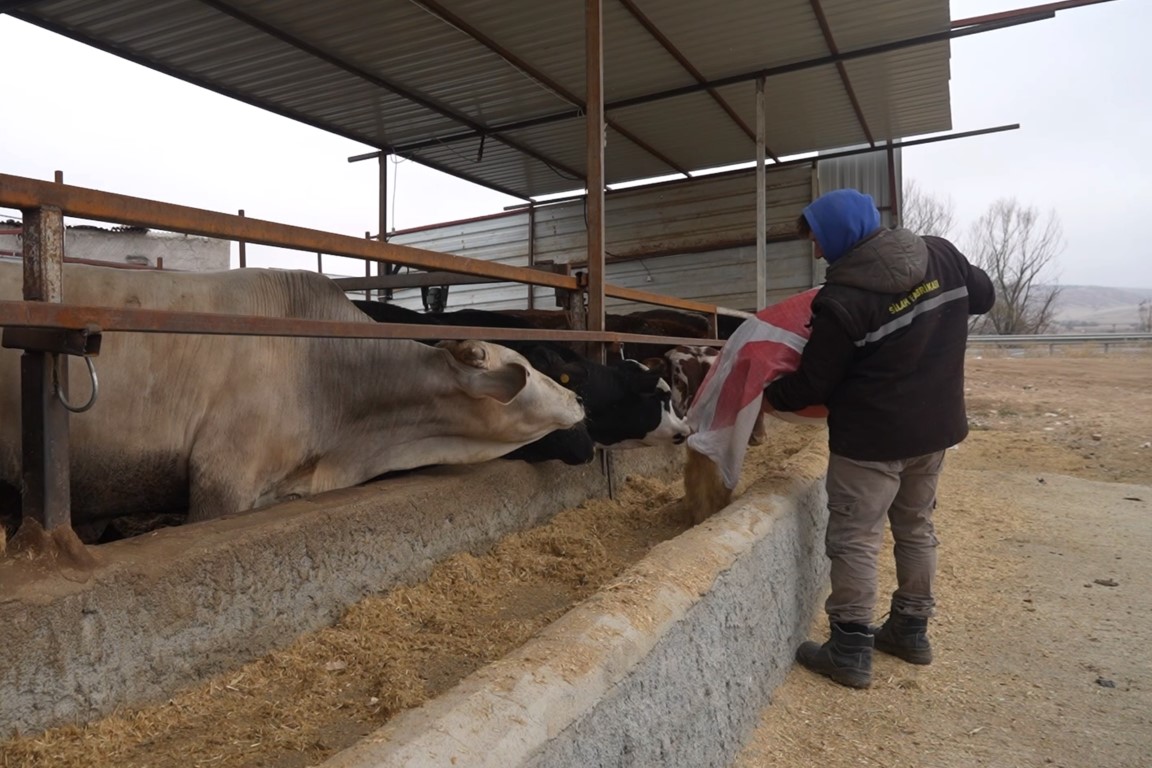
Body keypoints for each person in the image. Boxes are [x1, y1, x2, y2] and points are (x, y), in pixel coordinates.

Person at [763, 188, 995, 689]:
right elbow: (986, 297)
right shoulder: (942, 254)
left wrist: (767, 394)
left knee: (855, 538)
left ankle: (849, 650)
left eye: (820, 241)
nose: (820, 252)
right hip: (934, 430)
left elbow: (812, 385)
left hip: (869, 443)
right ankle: (911, 630)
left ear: (841, 236)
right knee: (915, 527)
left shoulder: (842, 301)